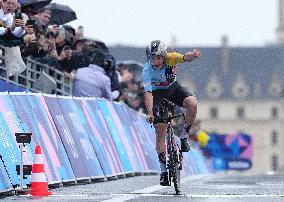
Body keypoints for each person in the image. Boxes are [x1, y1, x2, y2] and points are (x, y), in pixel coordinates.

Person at [142, 40, 201, 186]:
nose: (155, 61)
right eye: (152, 57)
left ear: (164, 55)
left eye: (158, 57)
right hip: (157, 94)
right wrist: (150, 113)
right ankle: (163, 171)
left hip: (173, 88)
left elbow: (185, 58)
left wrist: (193, 55)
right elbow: (148, 93)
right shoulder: (147, 70)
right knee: (160, 129)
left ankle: (184, 136)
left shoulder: (171, 57)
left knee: (192, 103)